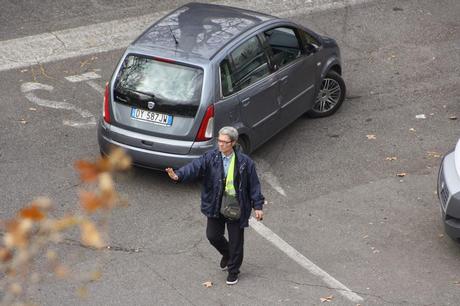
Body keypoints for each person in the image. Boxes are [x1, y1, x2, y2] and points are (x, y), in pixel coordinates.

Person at [165, 126, 264, 285]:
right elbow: (195, 166)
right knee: (213, 235)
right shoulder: (211, 157)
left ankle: (233, 271)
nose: (221, 144)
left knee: (236, 241)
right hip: (216, 203)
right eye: (219, 141)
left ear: (233, 143)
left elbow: (254, 185)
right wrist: (178, 175)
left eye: (225, 142)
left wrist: (257, 206)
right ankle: (227, 254)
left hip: (235, 204)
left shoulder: (245, 163)